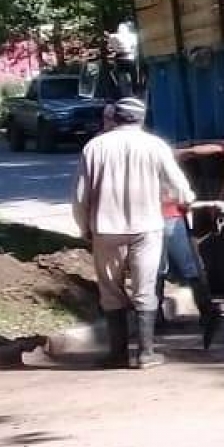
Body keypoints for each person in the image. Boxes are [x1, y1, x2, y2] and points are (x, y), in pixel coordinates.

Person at [72, 96, 196, 369]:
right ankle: (146, 353)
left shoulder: (94, 147)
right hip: (147, 227)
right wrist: (186, 198)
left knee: (110, 289)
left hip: (105, 229)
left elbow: (81, 196)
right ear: (141, 119)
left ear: (115, 117)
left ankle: (117, 354)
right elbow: (178, 184)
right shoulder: (154, 146)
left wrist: (84, 227)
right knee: (145, 287)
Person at [156, 192, 222, 350]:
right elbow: (183, 191)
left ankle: (154, 318)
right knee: (190, 267)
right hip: (171, 216)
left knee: (156, 270)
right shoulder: (163, 166)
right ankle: (207, 311)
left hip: (147, 219)